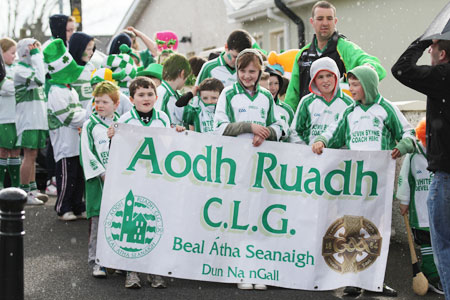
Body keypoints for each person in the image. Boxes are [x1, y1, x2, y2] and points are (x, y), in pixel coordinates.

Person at [311, 66, 416, 297]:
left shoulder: (386, 109)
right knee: (352, 227)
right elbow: (332, 133)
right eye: (350, 84)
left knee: (377, 230)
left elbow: (409, 134)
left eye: (356, 84)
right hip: (354, 181)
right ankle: (353, 279)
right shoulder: (349, 112)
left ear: (367, 85)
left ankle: (376, 280)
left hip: (379, 183)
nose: (351, 89)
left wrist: (403, 146)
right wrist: (320, 140)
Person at [213, 48, 282, 290]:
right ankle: (240, 269)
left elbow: (279, 125)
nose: (247, 76)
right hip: (235, 166)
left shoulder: (265, 96)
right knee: (239, 217)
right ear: (237, 70)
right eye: (242, 70)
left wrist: (267, 132)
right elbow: (219, 127)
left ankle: (258, 269)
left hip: (262, 165)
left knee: (260, 216)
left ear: (260, 71)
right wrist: (248, 127)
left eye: (252, 71)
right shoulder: (228, 95)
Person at [108, 76, 184, 289]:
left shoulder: (161, 118)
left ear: (156, 97)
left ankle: (154, 270)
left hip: (156, 179)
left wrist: (177, 133)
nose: (146, 98)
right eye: (141, 95)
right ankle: (132, 270)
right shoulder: (125, 120)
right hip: (132, 181)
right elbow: (116, 152)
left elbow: (170, 146)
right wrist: (113, 136)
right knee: (132, 223)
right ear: (132, 99)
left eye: (150, 94)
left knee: (154, 222)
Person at [391, 37, 450, 299]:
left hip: (446, 176)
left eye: (434, 47)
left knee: (444, 247)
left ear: (444, 53)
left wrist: (420, 40)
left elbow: (401, 69)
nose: (430, 50)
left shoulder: (443, 76)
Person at [284, 0, 386, 112]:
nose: (325, 23)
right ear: (312, 22)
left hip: (340, 122)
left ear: (335, 21)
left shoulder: (345, 48)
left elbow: (373, 65)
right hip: (310, 124)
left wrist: (369, 67)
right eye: (320, 18)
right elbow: (292, 97)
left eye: (329, 18)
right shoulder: (302, 54)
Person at [396, 119, 443, 295]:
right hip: (420, 208)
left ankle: (440, 275)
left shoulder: (443, 153)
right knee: (426, 242)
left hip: (440, 207)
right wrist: (403, 200)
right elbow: (405, 178)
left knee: (441, 242)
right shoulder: (414, 154)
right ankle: (432, 277)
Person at [80, 81, 120, 278]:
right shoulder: (90, 125)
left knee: (119, 221)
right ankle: (97, 261)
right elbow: (86, 153)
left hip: (120, 181)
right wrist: (103, 173)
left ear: (115, 104)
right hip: (99, 182)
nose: (100, 105)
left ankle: (116, 260)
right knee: (98, 222)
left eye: (105, 101)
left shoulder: (123, 122)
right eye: (97, 101)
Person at [44, 39, 87, 221]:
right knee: (67, 176)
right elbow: (69, 117)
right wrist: (87, 114)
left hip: (75, 140)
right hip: (64, 140)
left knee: (78, 176)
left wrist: (83, 115)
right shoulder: (56, 92)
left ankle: (77, 205)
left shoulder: (69, 90)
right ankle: (63, 206)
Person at [14, 38, 48, 205]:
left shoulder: (34, 66)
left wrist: (38, 56)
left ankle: (33, 190)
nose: (37, 51)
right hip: (28, 120)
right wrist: (35, 56)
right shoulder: (20, 70)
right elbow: (41, 78)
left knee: (33, 155)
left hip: (37, 119)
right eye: (33, 48)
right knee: (28, 155)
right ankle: (24, 191)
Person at [289, 57, 352, 145]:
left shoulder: (349, 103)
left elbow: (351, 134)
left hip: (339, 157)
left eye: (329, 75)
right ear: (314, 80)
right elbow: (294, 132)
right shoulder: (306, 102)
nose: (325, 81)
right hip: (311, 156)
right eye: (320, 77)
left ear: (336, 76)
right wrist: (305, 151)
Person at [0, 38, 21, 190]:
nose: (14, 56)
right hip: (3, 117)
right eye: (11, 53)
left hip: (17, 117)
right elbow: (8, 88)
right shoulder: (3, 70)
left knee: (15, 151)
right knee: (2, 151)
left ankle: (16, 185)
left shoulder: (17, 68)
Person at [155, 53, 191, 126]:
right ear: (182, 73)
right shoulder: (162, 94)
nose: (185, 81)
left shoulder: (177, 94)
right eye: (186, 77)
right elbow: (157, 123)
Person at [69, 32, 96, 109]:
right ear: (78, 49)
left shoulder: (91, 67)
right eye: (88, 49)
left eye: (92, 49)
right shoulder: (68, 69)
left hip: (92, 115)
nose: (91, 53)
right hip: (76, 116)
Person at [265, 66, 294, 141]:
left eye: (276, 83)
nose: (273, 88)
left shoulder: (287, 110)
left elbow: (292, 136)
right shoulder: (252, 105)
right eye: (269, 84)